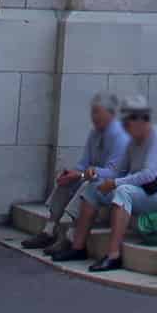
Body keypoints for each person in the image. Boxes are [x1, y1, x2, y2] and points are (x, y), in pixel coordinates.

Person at [51, 99, 157, 273]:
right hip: (143, 191)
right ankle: (78, 247)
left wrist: (115, 183)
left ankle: (113, 255)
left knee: (122, 191)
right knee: (93, 187)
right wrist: (95, 173)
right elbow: (118, 171)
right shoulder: (132, 141)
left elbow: (148, 174)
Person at [41, 92, 127, 237]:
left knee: (88, 186)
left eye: (98, 113)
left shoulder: (121, 137)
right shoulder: (94, 133)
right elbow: (84, 163)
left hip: (115, 185)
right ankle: (49, 229)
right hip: (93, 177)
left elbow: (114, 172)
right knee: (66, 181)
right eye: (93, 112)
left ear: (110, 114)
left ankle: (71, 236)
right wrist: (73, 173)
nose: (94, 117)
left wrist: (83, 174)